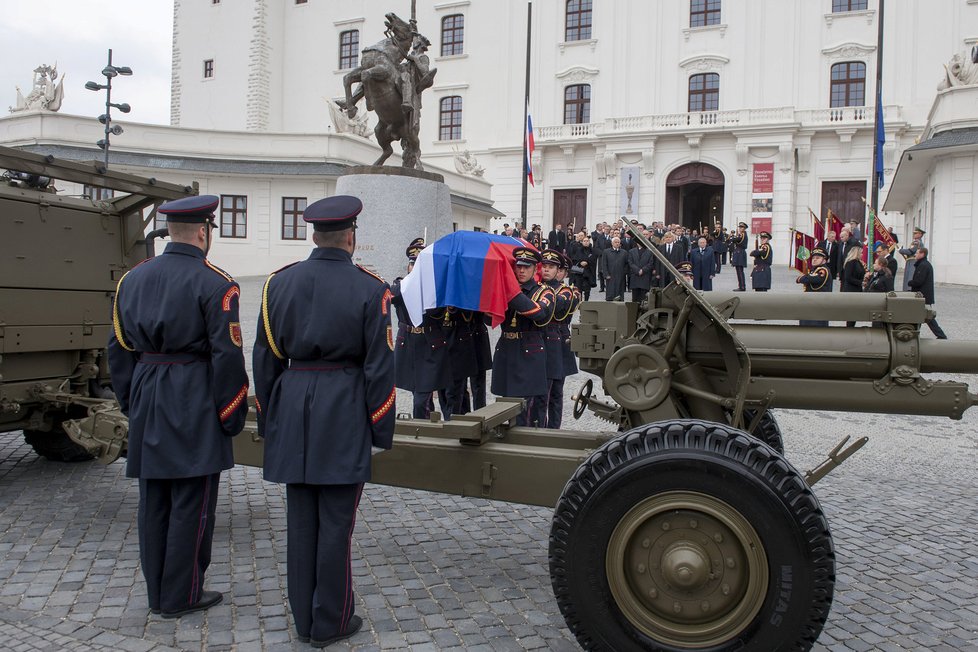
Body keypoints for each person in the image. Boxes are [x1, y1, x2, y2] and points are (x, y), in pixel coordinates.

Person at [253, 195, 396, 647]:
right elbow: (379, 367)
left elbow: (265, 359)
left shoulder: (278, 283)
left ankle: (304, 617)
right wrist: (380, 427)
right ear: (351, 237)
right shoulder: (371, 289)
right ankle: (330, 620)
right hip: (343, 406)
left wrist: (272, 419)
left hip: (294, 400)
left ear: (313, 236)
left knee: (301, 521)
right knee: (337, 522)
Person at [107, 195, 249, 619]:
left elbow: (118, 348)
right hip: (194, 394)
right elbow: (227, 357)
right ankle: (183, 594)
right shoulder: (217, 283)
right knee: (192, 500)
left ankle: (158, 592)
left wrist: (133, 401)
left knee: (154, 500)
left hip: (149, 389)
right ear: (203, 232)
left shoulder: (132, 279)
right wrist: (231, 414)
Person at [491, 247, 556, 426]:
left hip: (529, 351)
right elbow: (490, 320)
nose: (521, 270)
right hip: (506, 347)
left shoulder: (544, 292)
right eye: (518, 266)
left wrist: (512, 293)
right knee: (507, 404)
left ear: (536, 269)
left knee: (525, 408)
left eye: (526, 267)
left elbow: (540, 314)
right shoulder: (507, 290)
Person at [390, 242, 454, 419]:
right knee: (417, 395)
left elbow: (440, 313)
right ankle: (428, 425)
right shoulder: (401, 284)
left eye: (419, 264)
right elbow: (391, 296)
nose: (414, 267)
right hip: (408, 345)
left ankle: (422, 429)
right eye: (412, 264)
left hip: (429, 345)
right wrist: (410, 285)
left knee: (421, 398)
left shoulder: (435, 289)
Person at [907, 247, 948, 339]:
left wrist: (910, 282)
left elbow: (919, 281)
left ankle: (941, 335)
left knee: (928, 317)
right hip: (922, 295)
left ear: (922, 254)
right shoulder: (923, 264)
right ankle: (914, 335)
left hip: (923, 296)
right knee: (919, 316)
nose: (915, 255)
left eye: (917, 253)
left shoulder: (923, 265)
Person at [795, 247, 832, 326]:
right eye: (813, 258)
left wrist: (801, 278)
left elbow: (811, 279)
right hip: (812, 304)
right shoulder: (814, 269)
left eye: (818, 258)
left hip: (819, 306)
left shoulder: (823, 270)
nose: (814, 259)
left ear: (824, 260)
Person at [841, 241, 865, 327]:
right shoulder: (850, 262)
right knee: (852, 312)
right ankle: (849, 328)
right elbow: (848, 277)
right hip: (851, 289)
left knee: (855, 312)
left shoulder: (858, 262)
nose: (862, 254)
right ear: (857, 252)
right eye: (861, 252)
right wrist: (861, 283)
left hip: (857, 289)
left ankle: (852, 327)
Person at [570, 233, 598, 300]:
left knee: (587, 290)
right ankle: (579, 302)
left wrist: (587, 262)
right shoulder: (579, 250)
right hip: (579, 273)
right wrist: (580, 262)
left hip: (588, 273)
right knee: (579, 289)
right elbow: (575, 259)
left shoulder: (592, 251)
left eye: (587, 241)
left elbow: (594, 260)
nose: (586, 242)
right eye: (584, 241)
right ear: (582, 242)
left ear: (589, 242)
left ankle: (586, 302)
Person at [602, 236, 629, 300]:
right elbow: (604, 264)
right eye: (615, 242)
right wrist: (606, 274)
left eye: (618, 242)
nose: (617, 243)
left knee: (619, 291)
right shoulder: (606, 252)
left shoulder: (624, 252)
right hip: (610, 275)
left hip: (620, 275)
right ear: (612, 243)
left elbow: (627, 264)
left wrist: (624, 272)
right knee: (610, 291)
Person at [729, 222, 749, 291]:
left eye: (741, 227)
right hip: (738, 253)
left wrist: (732, 238)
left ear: (744, 228)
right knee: (738, 271)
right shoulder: (741, 235)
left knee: (740, 271)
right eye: (739, 227)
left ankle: (742, 286)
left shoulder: (742, 235)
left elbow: (735, 240)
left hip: (740, 253)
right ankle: (741, 286)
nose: (740, 228)